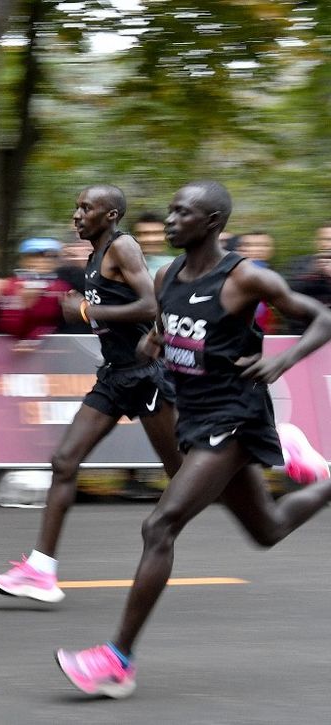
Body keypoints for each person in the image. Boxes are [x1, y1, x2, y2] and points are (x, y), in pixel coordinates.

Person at [56, 180, 331, 699]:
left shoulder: (244, 276)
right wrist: (153, 344)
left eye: (184, 213)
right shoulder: (168, 274)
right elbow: (162, 329)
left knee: (159, 524)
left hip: (232, 418)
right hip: (195, 416)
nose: (171, 219)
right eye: (171, 210)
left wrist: (283, 359)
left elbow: (322, 319)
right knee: (267, 529)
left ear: (212, 223)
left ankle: (117, 662)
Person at [0, 185, 182, 603]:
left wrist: (86, 311)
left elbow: (151, 307)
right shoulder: (93, 258)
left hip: (146, 375)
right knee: (64, 461)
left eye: (86, 208)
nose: (76, 215)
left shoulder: (122, 247)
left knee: (184, 473)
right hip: (114, 377)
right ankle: (41, 570)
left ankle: (270, 454)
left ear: (110, 215)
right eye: (76, 207)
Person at [131, 211, 174, 277]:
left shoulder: (178, 266)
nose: (150, 239)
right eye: (144, 233)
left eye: (156, 233)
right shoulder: (126, 267)